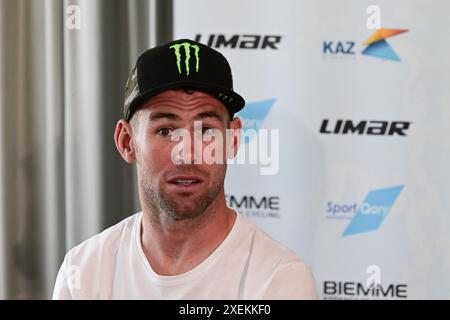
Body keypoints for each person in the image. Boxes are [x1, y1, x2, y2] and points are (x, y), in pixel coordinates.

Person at [52, 39, 317, 299]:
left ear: (233, 140)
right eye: (166, 130)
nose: (187, 153)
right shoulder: (83, 273)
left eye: (206, 130)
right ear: (127, 141)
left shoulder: (279, 279)